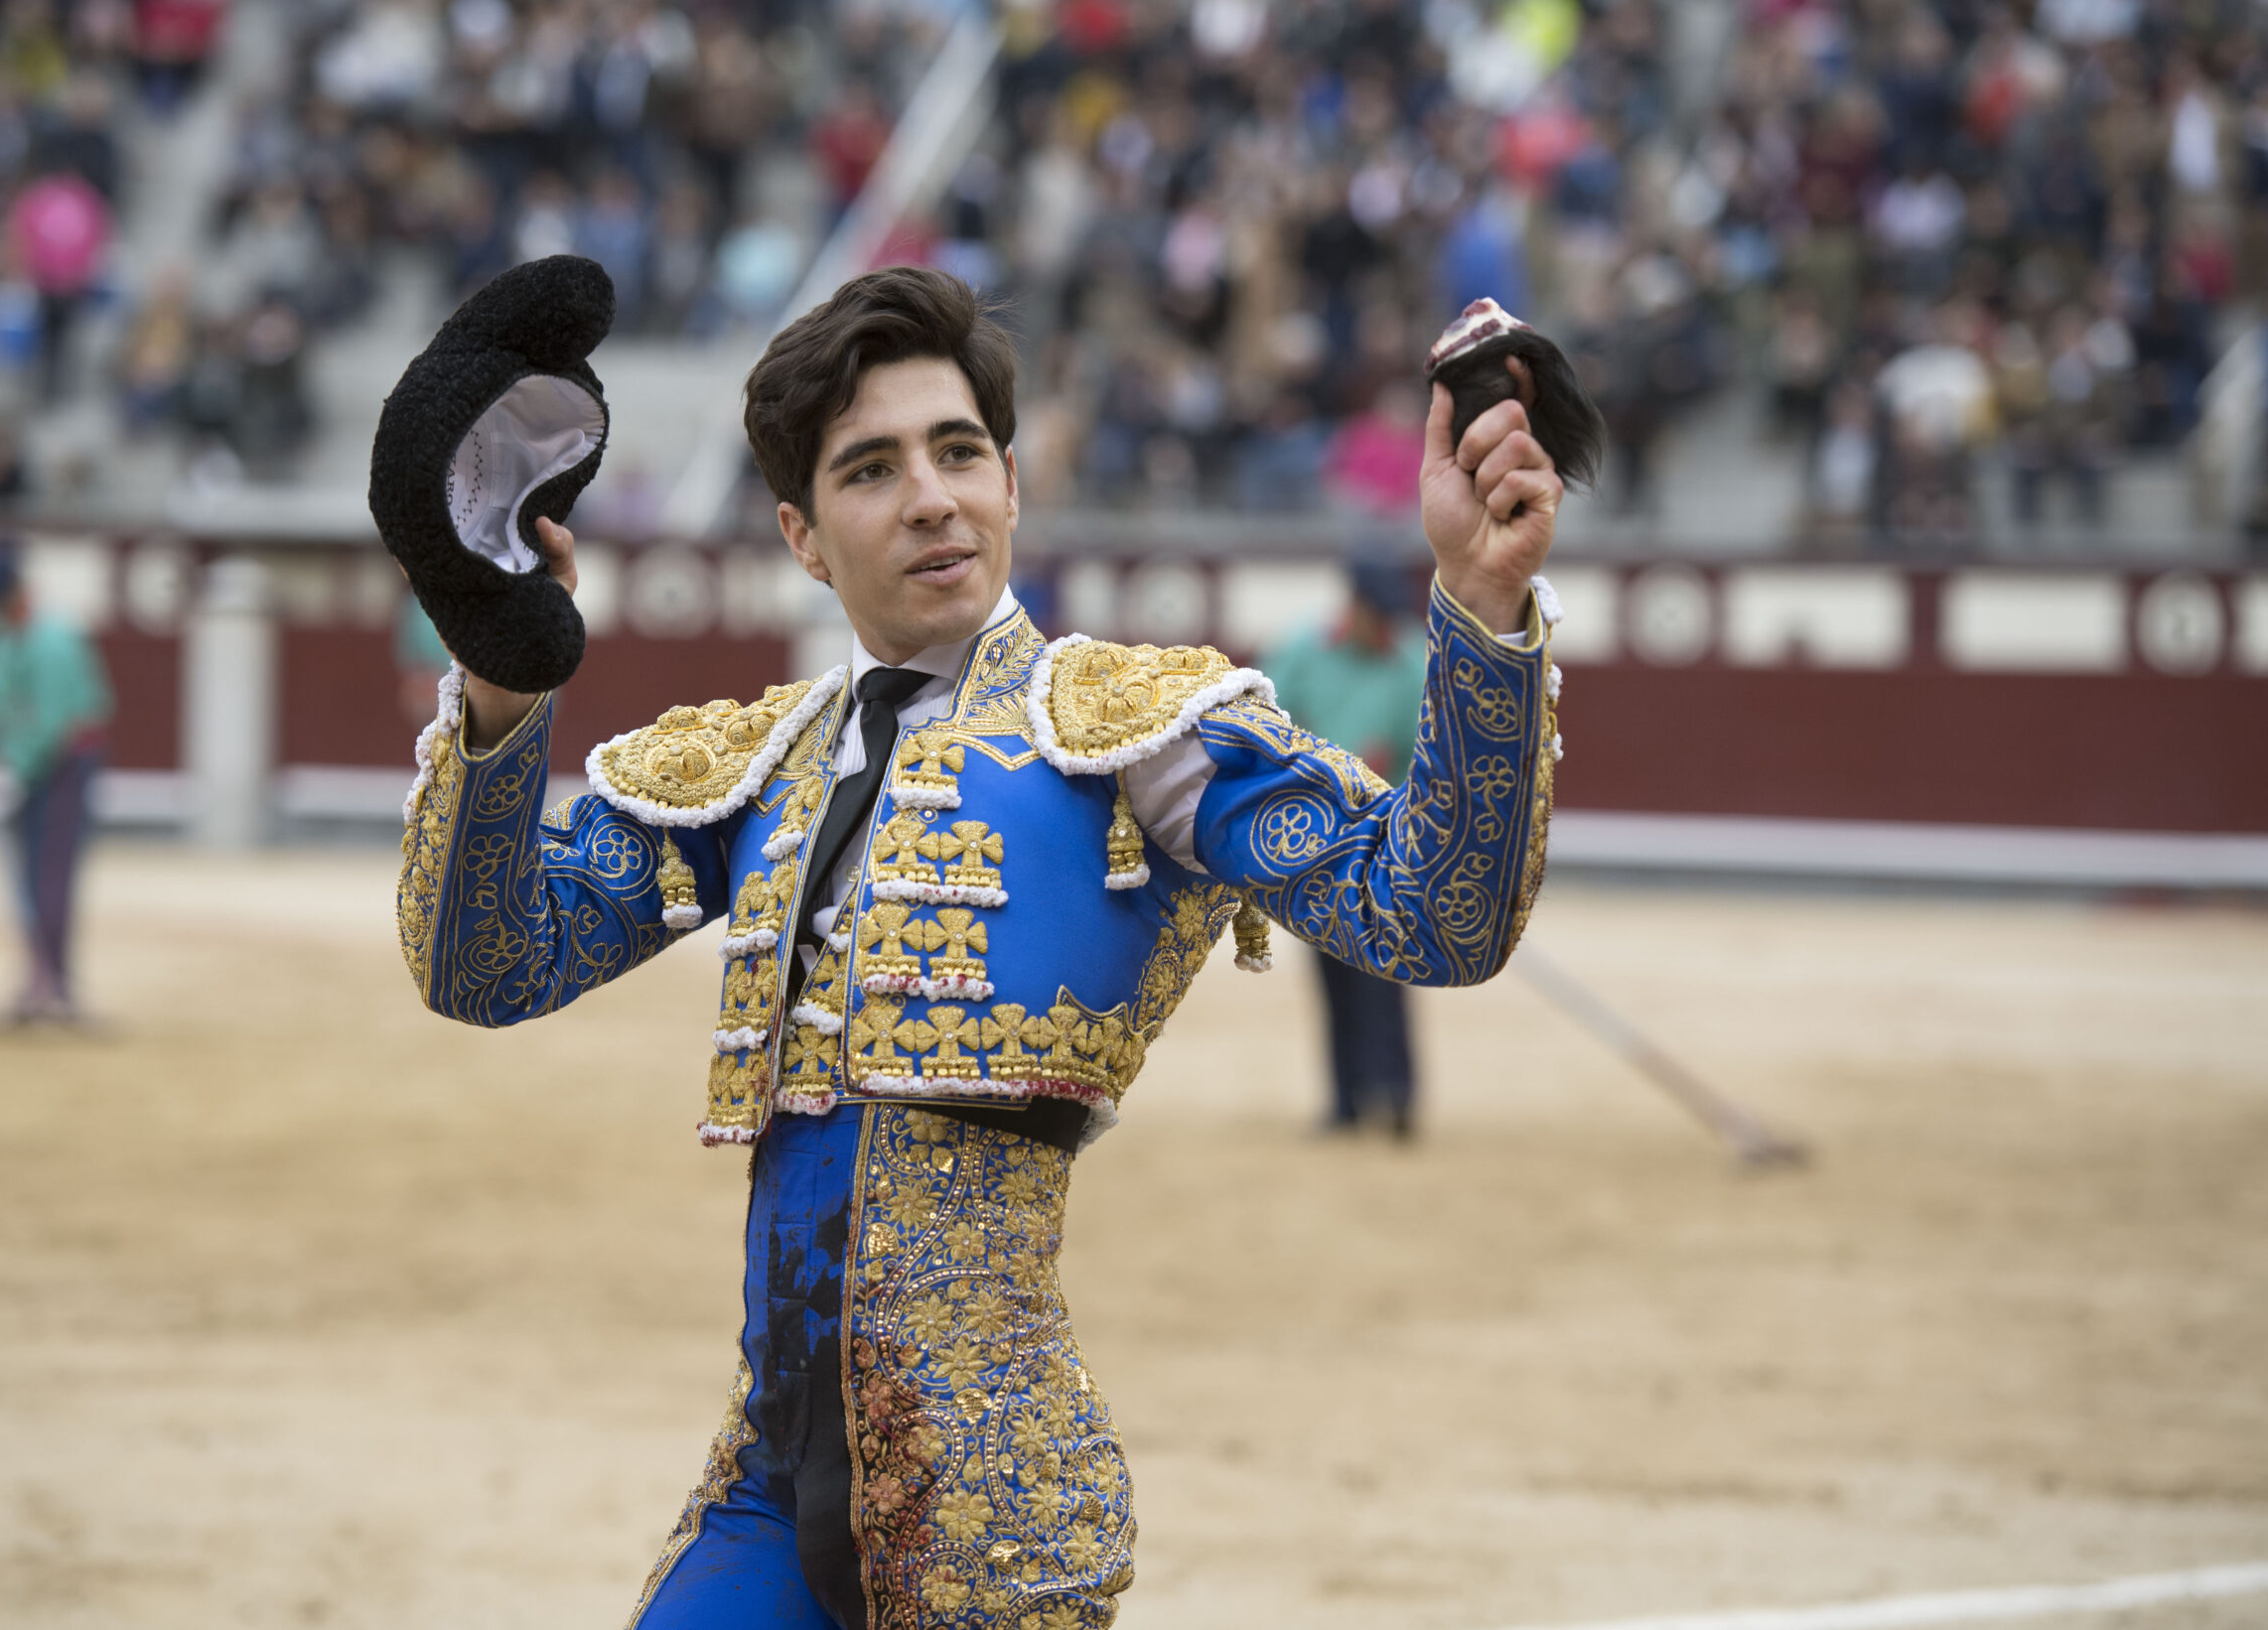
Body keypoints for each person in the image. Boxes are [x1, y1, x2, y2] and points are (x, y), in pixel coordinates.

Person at [395, 267, 1565, 1626]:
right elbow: (486, 964)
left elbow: (1436, 912)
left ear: (1010, 482)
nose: (931, 497)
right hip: (764, 1487)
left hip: (992, 1503)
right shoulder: (759, 766)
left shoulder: (1136, 733)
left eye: (958, 452)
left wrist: (1480, 608)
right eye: (871, 469)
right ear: (801, 535)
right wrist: (501, 684)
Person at [1258, 561, 1436, 1140]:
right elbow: (1263, 722)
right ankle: (1347, 1101)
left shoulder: (1409, 661)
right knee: (1333, 968)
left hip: (1386, 842)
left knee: (1384, 966)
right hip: (1318, 843)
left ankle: (1396, 1094)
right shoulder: (1303, 651)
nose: (1384, 629)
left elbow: (1426, 759)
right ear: (1355, 608)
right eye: (1376, 616)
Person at [0, 541, 113, 1024]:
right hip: (26, 767)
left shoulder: (54, 641)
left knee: (49, 875)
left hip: (66, 767)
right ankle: (41, 981)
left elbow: (54, 724)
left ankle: (53, 984)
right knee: (28, 875)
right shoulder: (0, 634)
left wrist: (6, 770)